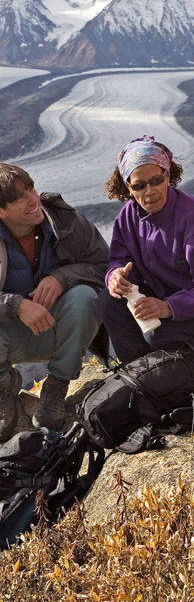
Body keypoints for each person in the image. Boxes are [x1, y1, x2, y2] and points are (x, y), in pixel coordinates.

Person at [96, 135, 194, 388]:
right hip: (168, 297)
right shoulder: (128, 216)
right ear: (128, 188)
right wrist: (115, 277)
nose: (150, 191)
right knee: (108, 303)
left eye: (157, 180)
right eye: (139, 186)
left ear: (168, 176)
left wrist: (168, 307)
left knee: (157, 334)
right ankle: (144, 381)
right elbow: (119, 259)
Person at [0, 162, 109, 442]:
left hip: (59, 330)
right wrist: (16, 305)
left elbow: (106, 266)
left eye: (31, 188)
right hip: (10, 335)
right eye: (19, 197)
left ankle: (56, 388)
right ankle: (4, 392)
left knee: (85, 296)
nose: (33, 199)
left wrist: (62, 277)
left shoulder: (64, 220)